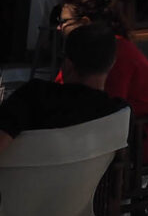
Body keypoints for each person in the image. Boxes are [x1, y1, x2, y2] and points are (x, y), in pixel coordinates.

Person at [0, 23, 128, 157]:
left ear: (68, 64)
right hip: (84, 178)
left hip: (21, 177)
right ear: (112, 63)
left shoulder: (33, 96)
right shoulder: (117, 114)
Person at [55, 0, 148, 125]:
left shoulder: (113, 51)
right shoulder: (91, 47)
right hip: (111, 127)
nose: (59, 27)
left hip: (140, 134)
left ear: (84, 22)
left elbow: (110, 107)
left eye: (64, 21)